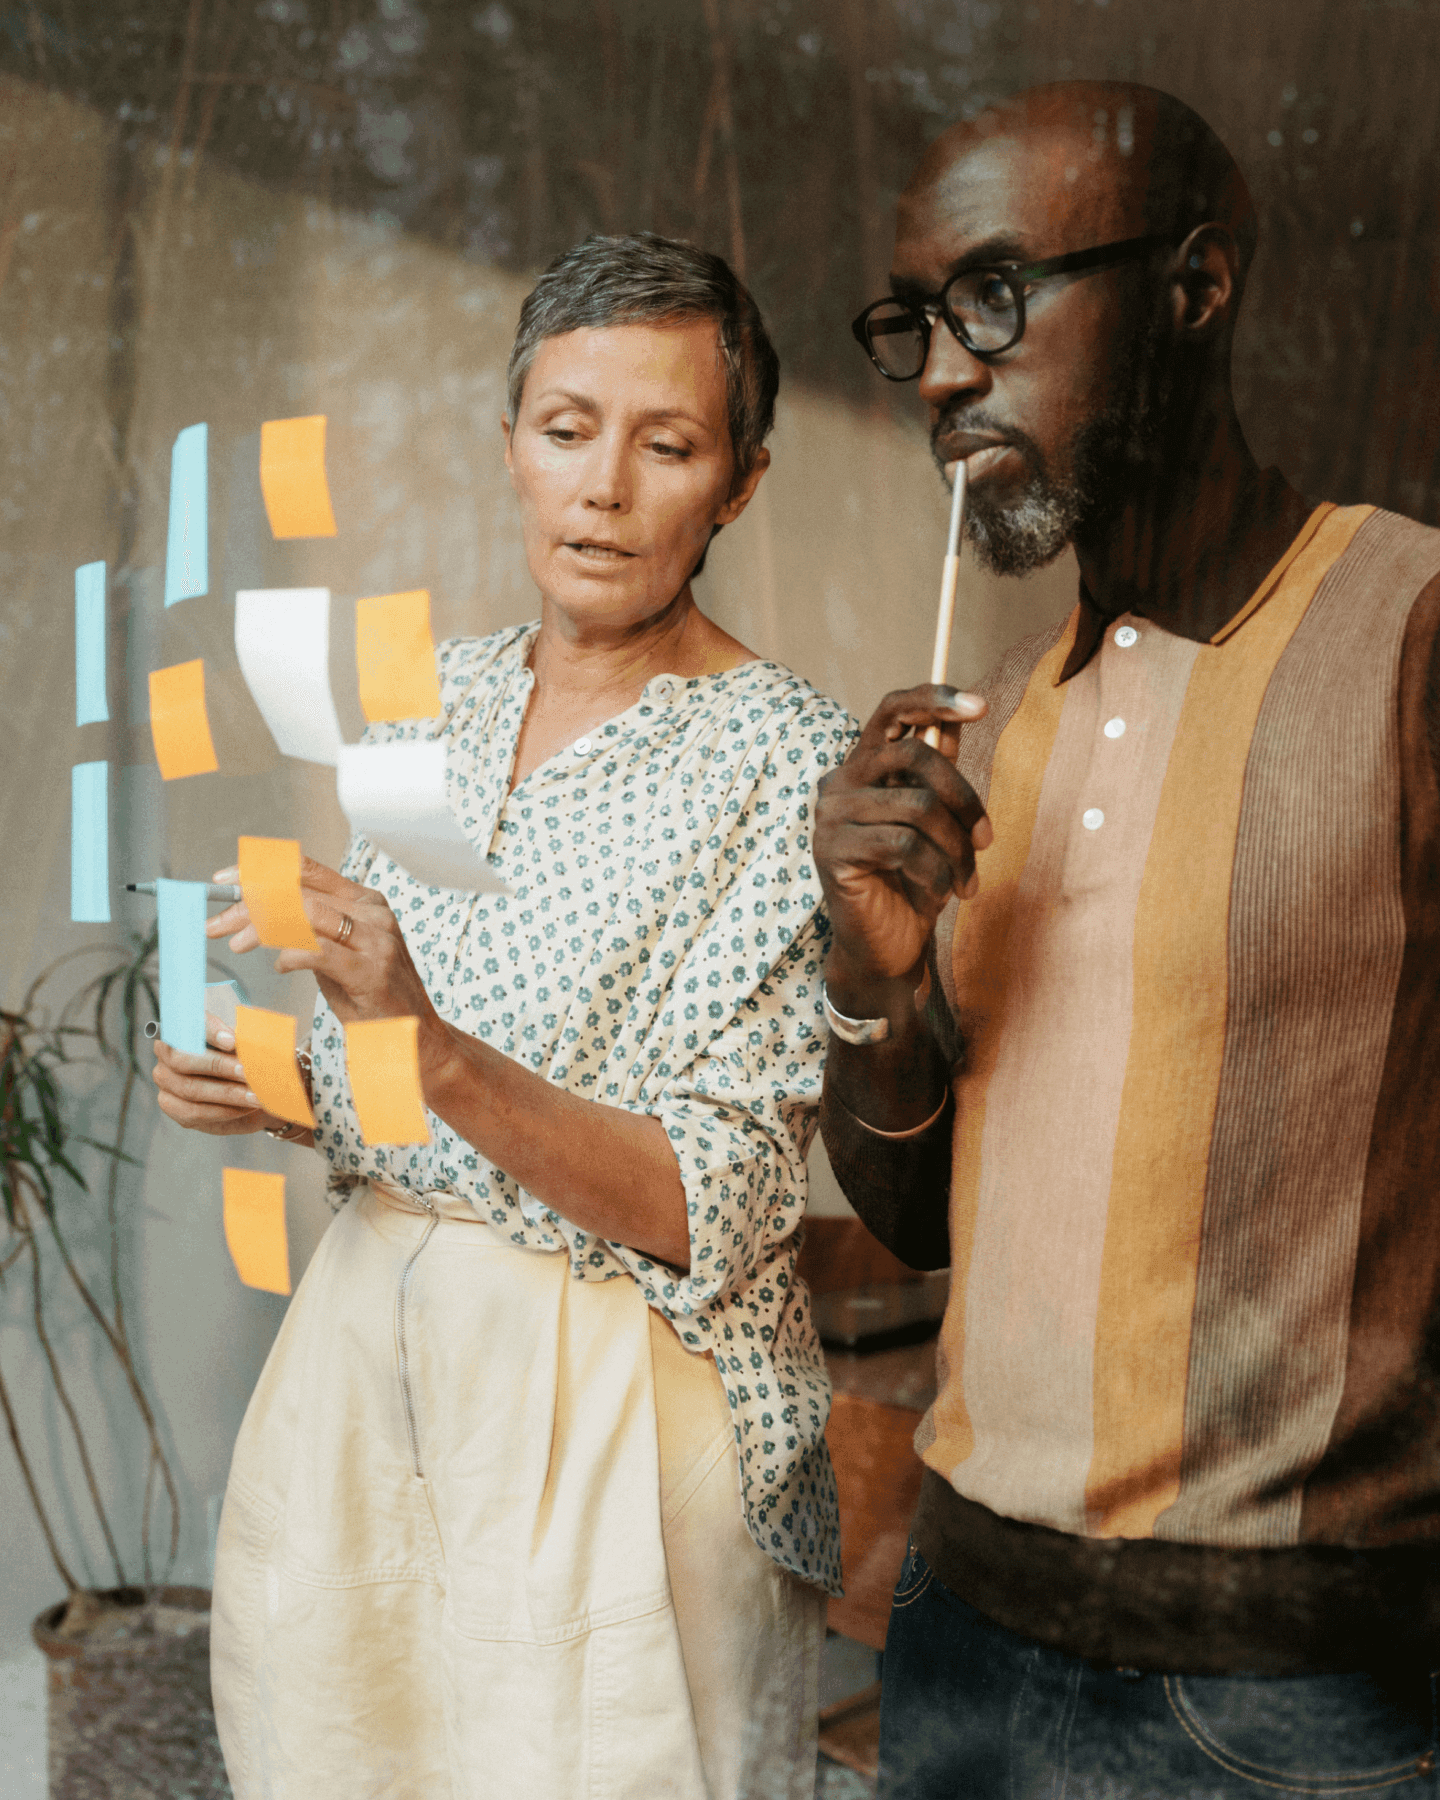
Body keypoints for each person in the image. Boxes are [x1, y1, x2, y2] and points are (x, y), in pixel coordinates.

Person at [153, 231, 855, 1800]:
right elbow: (390, 1088)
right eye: (566, 428)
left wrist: (417, 1033)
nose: (603, 486)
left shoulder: (790, 766)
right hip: (369, 1364)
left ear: (737, 483)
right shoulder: (432, 708)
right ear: (512, 443)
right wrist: (279, 1082)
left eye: (666, 443)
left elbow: (712, 1204)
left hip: (625, 1393)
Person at [815, 81, 1440, 1799]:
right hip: (955, 1642)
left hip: (1283, 1696)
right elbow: (912, 1217)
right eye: (917, 323)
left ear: (1193, 288)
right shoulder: (999, 716)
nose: (945, 370)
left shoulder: (1412, 634)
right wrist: (870, 984)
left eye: (997, 297)